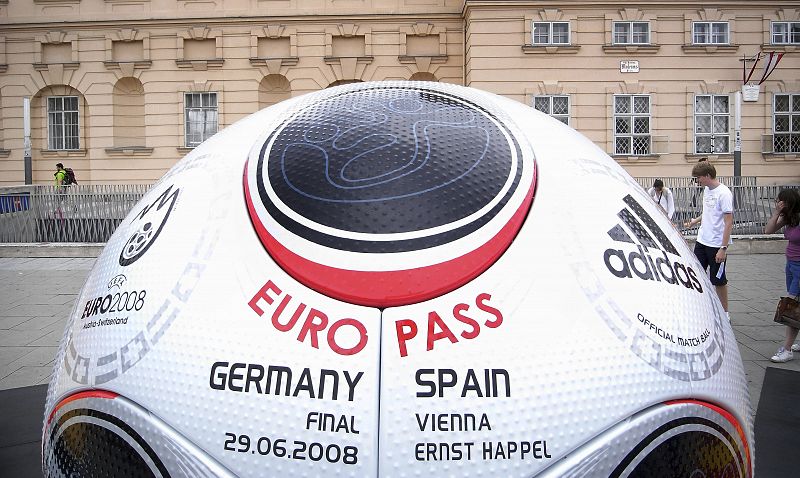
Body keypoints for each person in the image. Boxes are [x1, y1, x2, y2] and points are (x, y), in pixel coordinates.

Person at [683, 161, 733, 318]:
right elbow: (707, 213)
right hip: (702, 240)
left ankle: (725, 313)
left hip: (716, 244)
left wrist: (723, 248)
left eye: (699, 178)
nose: (698, 181)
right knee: (697, 275)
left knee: (719, 280)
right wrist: (694, 221)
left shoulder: (724, 193)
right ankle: (702, 309)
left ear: (708, 176)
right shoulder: (706, 190)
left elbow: (728, 222)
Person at [765, 188, 800, 362]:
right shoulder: (789, 218)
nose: (777, 203)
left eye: (780, 201)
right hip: (791, 265)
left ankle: (787, 349)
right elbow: (768, 230)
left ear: (788, 202)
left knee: (791, 306)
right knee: (796, 304)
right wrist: (776, 213)